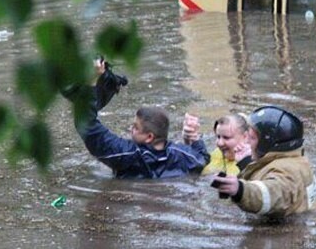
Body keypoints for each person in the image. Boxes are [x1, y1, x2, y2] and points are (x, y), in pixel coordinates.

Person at [67, 59, 210, 178]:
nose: (131, 129)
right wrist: (193, 139)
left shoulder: (128, 155)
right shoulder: (183, 155)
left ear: (149, 137)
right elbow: (203, 159)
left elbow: (87, 125)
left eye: (135, 127)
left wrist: (91, 82)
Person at [211, 106, 316, 217]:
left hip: (284, 233)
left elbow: (274, 193)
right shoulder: (295, 159)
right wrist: (247, 165)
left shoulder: (287, 171)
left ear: (266, 143)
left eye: (252, 138)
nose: (247, 141)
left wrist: (240, 190)